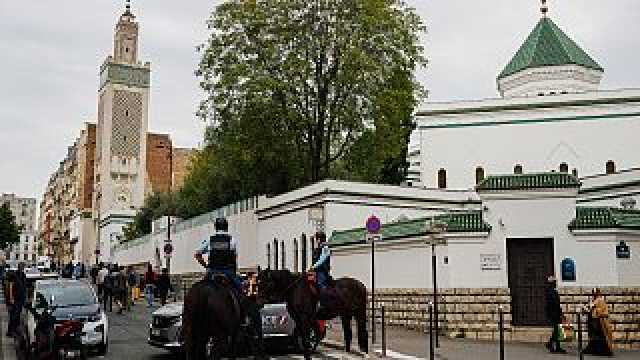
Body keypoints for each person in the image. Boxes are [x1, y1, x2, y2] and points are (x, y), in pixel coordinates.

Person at [194, 217, 242, 293]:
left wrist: (206, 266)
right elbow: (234, 257)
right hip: (228, 272)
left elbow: (197, 254)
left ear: (215, 227)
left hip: (212, 271)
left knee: (200, 289)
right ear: (226, 227)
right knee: (240, 290)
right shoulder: (232, 240)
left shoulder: (209, 240)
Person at [584, 288, 614, 356]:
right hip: (594, 320)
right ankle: (594, 350)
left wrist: (594, 308)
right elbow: (590, 308)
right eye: (593, 293)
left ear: (598, 293)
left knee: (600, 336)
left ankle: (602, 351)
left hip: (600, 321)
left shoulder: (600, 300)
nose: (594, 294)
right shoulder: (593, 300)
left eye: (595, 293)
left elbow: (603, 310)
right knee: (595, 336)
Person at [544, 275, 566, 354]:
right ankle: (550, 344)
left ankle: (557, 346)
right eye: (555, 282)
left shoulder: (551, 291)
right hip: (554, 313)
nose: (556, 283)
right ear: (552, 283)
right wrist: (560, 313)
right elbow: (555, 304)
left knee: (558, 329)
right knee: (557, 330)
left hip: (554, 313)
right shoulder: (551, 292)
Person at [6, 262, 27, 337]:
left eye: (23, 266)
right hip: (15, 298)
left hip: (21, 298)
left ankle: (15, 330)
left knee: (17, 315)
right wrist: (11, 297)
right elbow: (11, 286)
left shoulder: (23, 275)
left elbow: (25, 287)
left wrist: (25, 297)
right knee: (13, 315)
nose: (22, 268)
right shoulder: (14, 275)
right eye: (21, 266)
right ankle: (10, 331)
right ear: (19, 267)